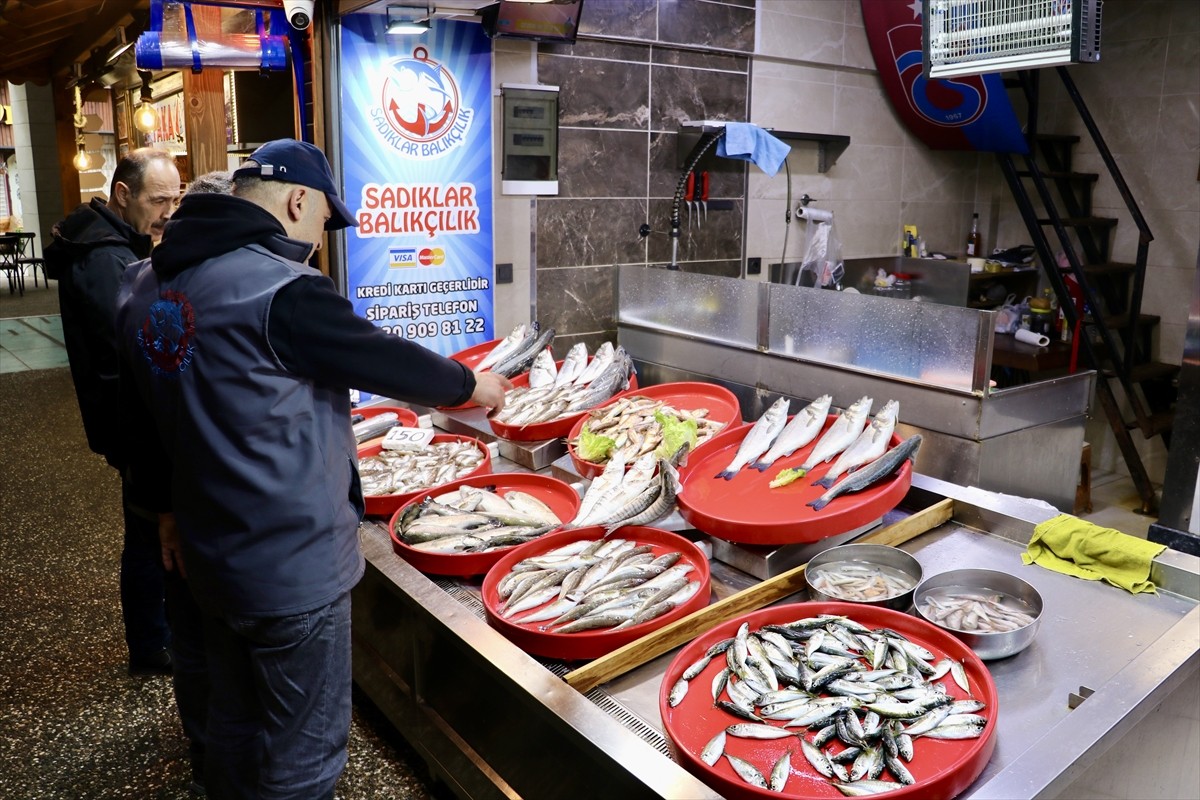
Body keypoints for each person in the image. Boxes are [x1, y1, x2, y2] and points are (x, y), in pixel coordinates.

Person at [115, 139, 511, 799]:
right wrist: (474, 384)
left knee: (234, 726)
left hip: (208, 559)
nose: (321, 244)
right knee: (304, 757)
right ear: (298, 201)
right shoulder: (282, 289)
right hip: (291, 570)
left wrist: (161, 509)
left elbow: (142, 416)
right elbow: (383, 359)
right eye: (322, 223)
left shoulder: (143, 284)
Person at [45, 147, 181, 675]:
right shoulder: (105, 258)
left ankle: (154, 638)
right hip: (130, 421)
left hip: (125, 418)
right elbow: (131, 346)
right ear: (123, 195)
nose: (169, 211)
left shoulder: (113, 241)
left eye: (177, 197)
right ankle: (152, 646)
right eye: (158, 200)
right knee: (148, 537)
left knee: (145, 533)